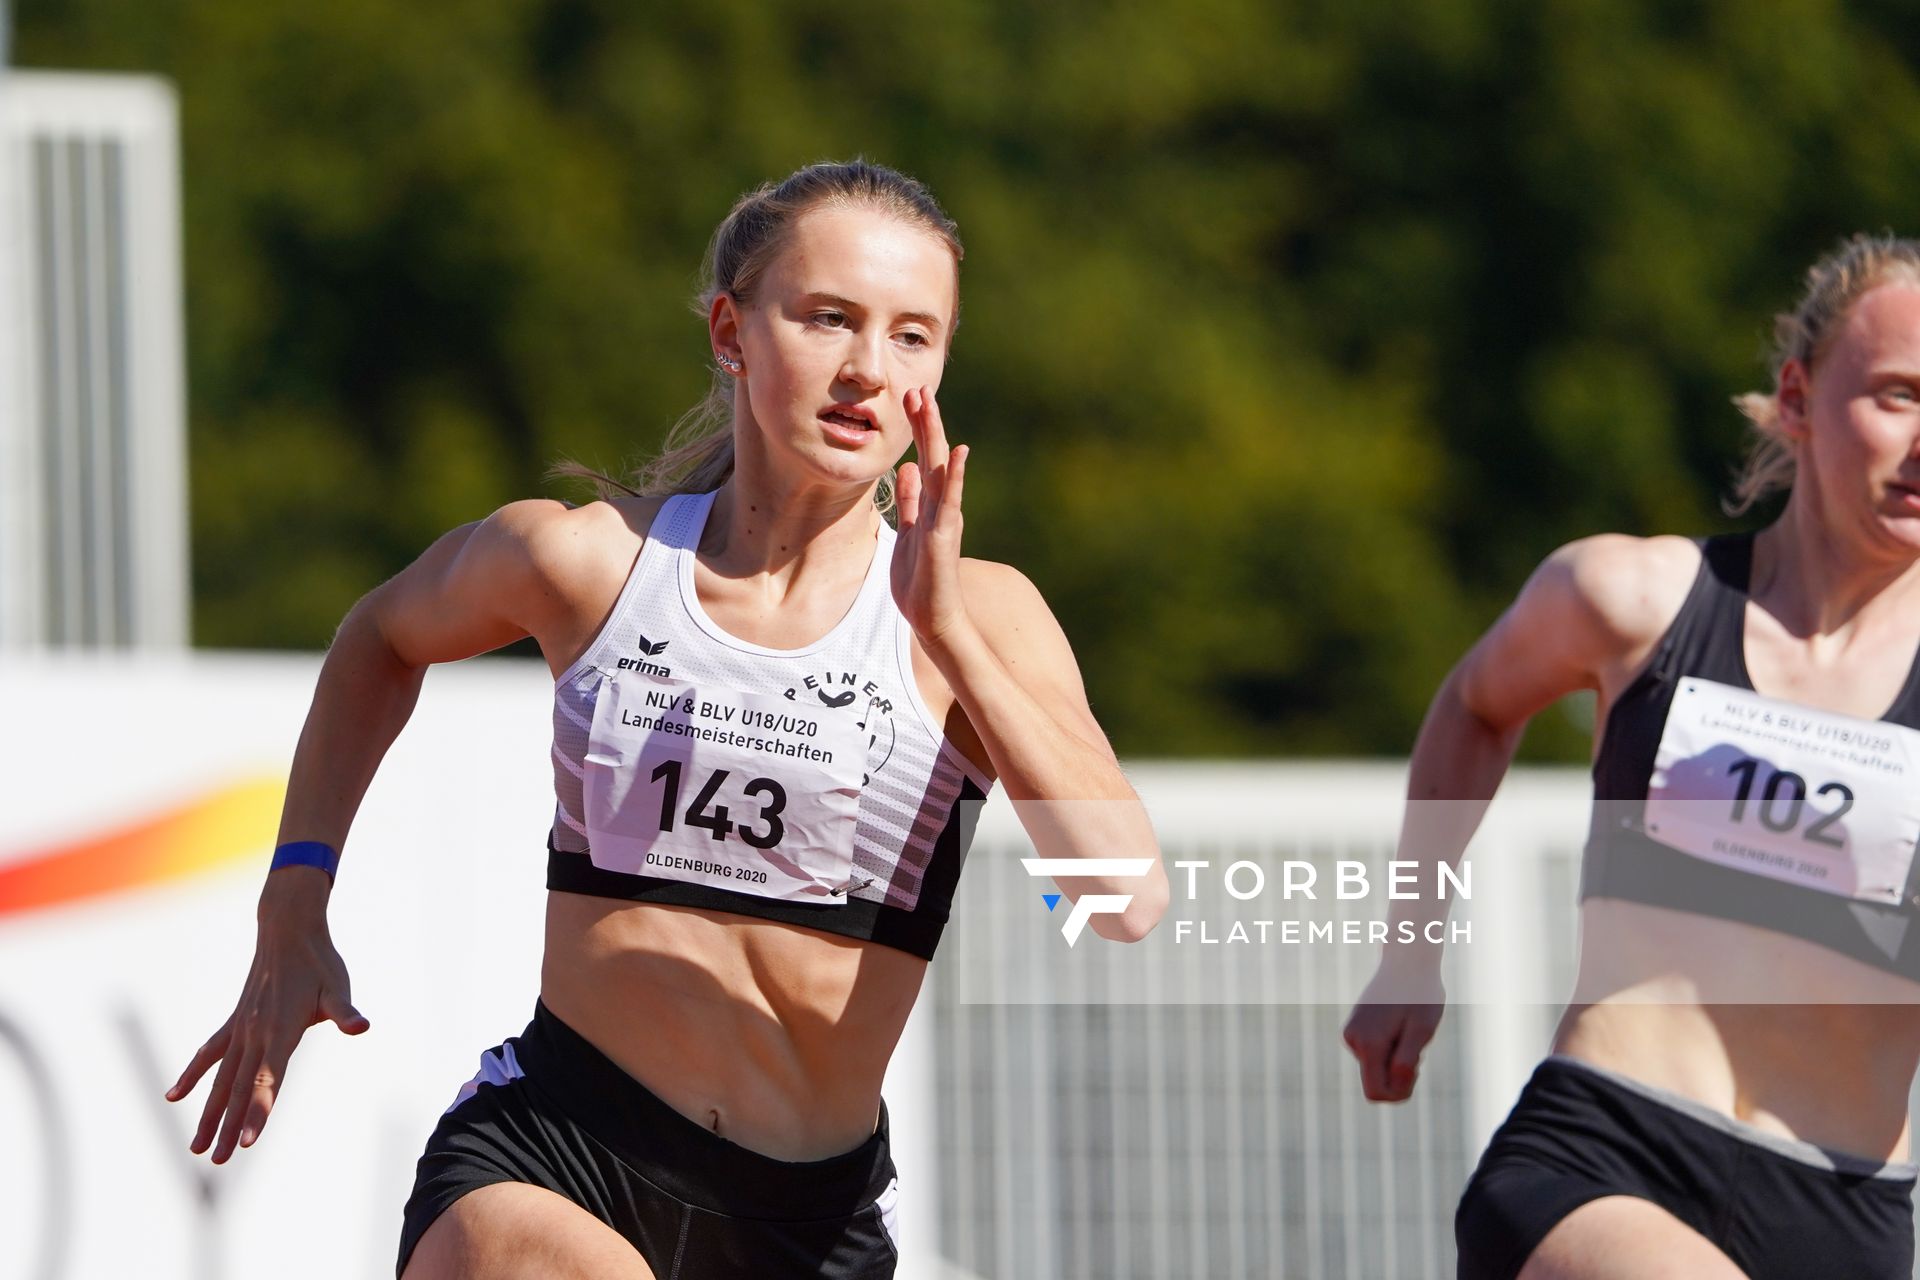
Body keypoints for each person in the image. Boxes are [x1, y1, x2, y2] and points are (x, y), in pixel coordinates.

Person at [166, 159, 1169, 1279]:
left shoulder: (983, 618)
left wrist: (949, 630)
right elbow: (379, 638)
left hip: (806, 1220)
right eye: (829, 319)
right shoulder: (590, 562)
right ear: (734, 332)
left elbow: (1122, 899)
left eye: (912, 337)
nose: (866, 373)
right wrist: (293, 899)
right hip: (556, 1151)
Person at [1344, 233, 1920, 1280]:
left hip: (1847, 1210)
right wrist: (1409, 952)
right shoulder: (1635, 599)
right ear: (1796, 397)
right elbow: (1476, 706)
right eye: (1899, 394)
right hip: (1607, 1153)